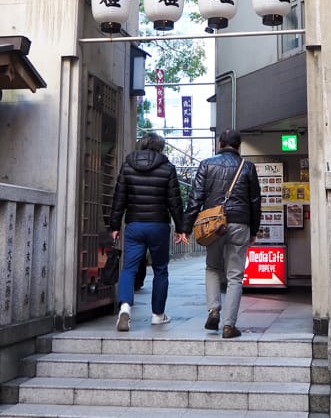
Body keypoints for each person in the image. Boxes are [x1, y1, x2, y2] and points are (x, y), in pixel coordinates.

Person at [184, 128, 261, 339]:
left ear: (220, 144)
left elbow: (195, 197)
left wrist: (185, 227)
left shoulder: (207, 164)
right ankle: (229, 325)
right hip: (240, 224)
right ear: (239, 146)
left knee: (212, 267)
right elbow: (255, 201)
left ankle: (214, 310)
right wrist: (253, 230)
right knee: (235, 275)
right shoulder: (248, 167)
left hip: (214, 224)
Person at [109, 132, 189, 331]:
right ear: (160, 148)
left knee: (129, 268)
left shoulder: (127, 166)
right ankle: (158, 315)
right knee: (161, 269)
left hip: (134, 225)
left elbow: (119, 198)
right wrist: (181, 229)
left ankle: (125, 307)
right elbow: (174, 201)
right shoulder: (167, 168)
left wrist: (114, 225)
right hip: (158, 226)